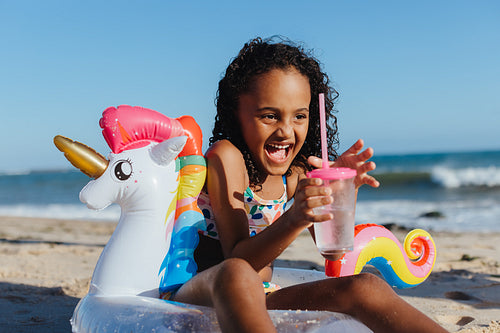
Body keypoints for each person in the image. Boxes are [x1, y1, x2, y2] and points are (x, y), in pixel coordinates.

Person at [167, 36, 446, 333]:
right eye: (270, 116)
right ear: (237, 113)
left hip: (262, 297)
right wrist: (294, 218)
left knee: (365, 287)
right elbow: (238, 259)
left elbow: (334, 254)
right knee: (236, 274)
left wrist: (339, 198)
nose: (286, 130)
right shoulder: (226, 157)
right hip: (199, 295)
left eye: (299, 116)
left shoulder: (298, 174)